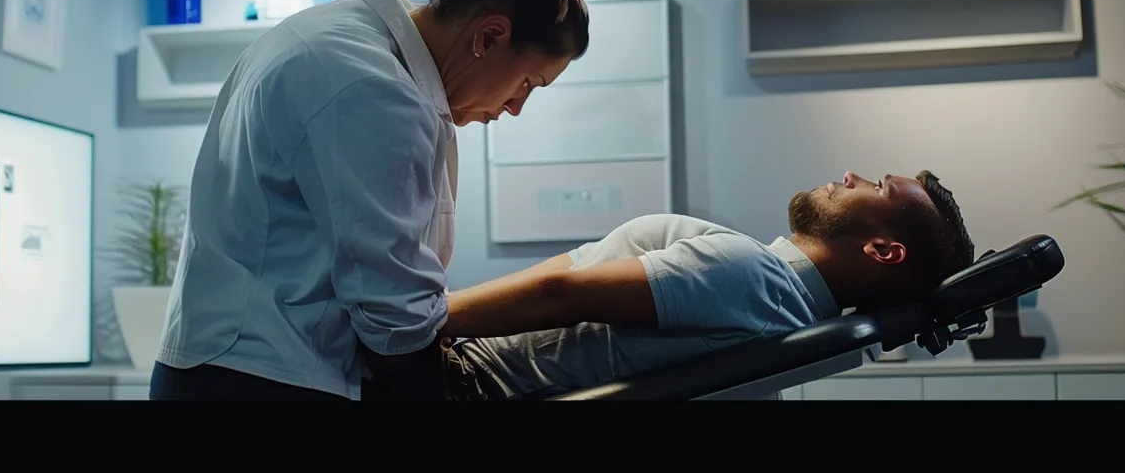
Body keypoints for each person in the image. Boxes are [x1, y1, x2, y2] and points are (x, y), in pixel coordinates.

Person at [150, 0, 611, 401]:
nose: (517, 107)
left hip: (228, 367)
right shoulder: (373, 88)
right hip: (259, 378)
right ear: (489, 36)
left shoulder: (341, 38)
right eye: (528, 83)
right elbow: (394, 318)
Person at [417, 170, 977, 400]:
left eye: (877, 187)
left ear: (882, 250)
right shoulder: (787, 317)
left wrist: (419, 319)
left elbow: (560, 294)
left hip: (460, 378)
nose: (851, 176)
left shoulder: (751, 275)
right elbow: (566, 278)